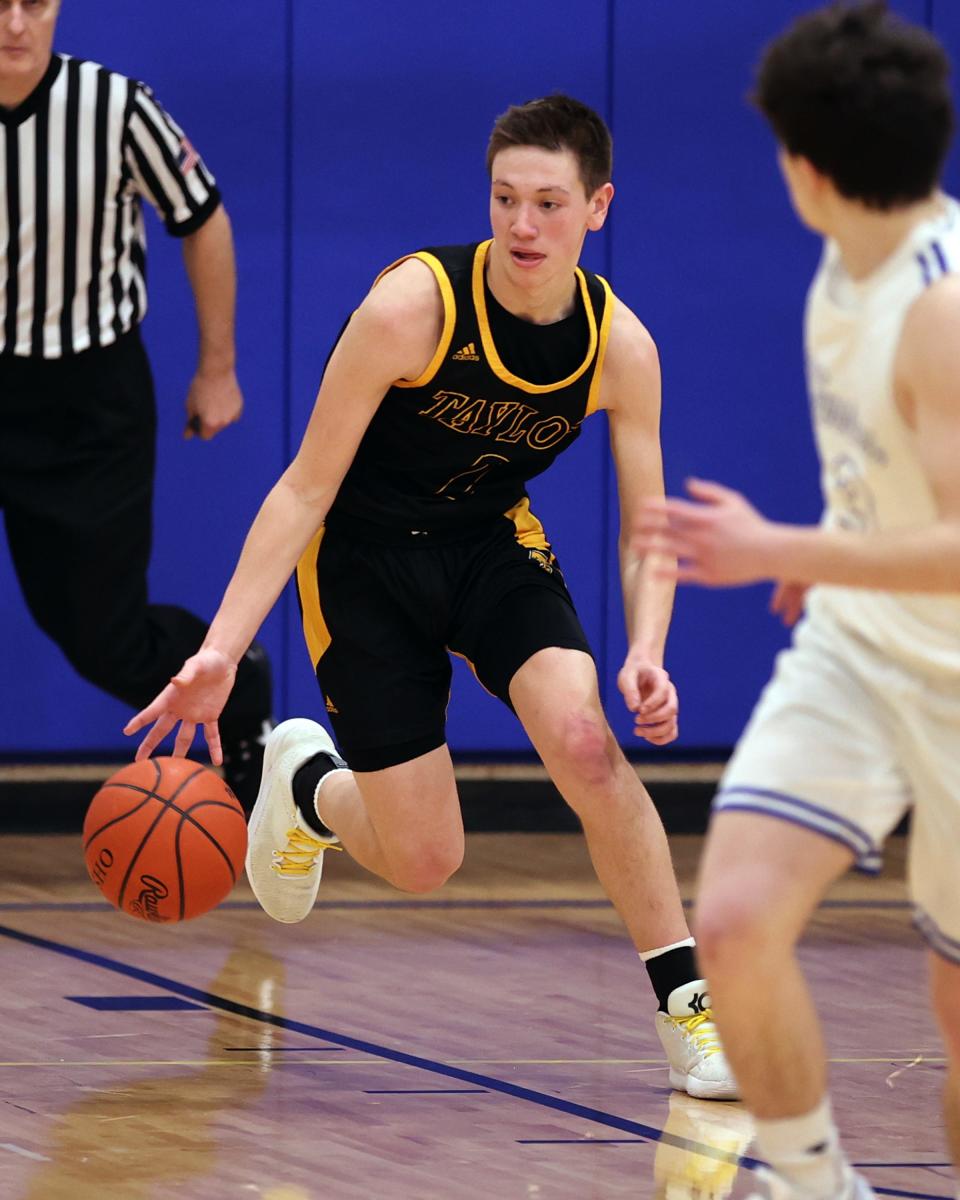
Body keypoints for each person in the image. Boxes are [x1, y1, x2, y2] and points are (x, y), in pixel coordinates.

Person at [126, 92, 736, 1100]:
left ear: (599, 207)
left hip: (491, 545)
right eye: (505, 198)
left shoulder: (619, 347)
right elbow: (304, 488)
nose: (523, 225)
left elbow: (647, 528)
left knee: (586, 741)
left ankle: (688, 1015)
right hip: (362, 558)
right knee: (424, 859)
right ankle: (310, 782)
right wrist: (224, 649)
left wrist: (647, 648)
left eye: (548, 202)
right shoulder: (412, 308)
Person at [638, 2, 960, 1195]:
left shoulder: (940, 311)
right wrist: (834, 550)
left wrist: (787, 544)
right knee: (729, 925)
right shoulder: (848, 256)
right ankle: (812, 1185)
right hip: (861, 652)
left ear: (809, 168)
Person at [0, 0, 272, 804]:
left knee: (101, 637)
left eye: (34, 4)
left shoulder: (117, 108)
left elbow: (203, 217)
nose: (15, 23)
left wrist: (216, 368)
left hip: (89, 400)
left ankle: (238, 684)